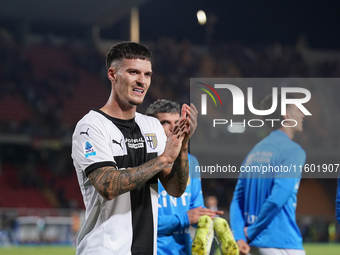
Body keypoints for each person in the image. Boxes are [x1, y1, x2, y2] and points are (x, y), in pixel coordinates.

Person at [71, 42, 198, 255]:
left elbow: (176, 189)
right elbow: (108, 186)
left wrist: (183, 145)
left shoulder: (151, 126)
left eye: (147, 74)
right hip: (104, 250)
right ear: (112, 74)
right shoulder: (91, 126)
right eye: (133, 72)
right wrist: (163, 159)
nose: (142, 81)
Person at [230, 93, 306, 255]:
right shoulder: (293, 151)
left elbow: (237, 200)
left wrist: (240, 237)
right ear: (286, 115)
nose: (303, 114)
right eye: (298, 109)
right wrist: (251, 231)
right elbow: (277, 199)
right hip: (281, 243)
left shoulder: (253, 153)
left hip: (252, 246)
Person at [146, 99, 223, 255]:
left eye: (177, 122)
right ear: (151, 127)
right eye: (165, 122)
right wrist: (185, 219)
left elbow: (195, 208)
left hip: (184, 250)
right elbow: (143, 222)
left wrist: (207, 218)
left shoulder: (191, 162)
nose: (174, 127)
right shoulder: (145, 165)